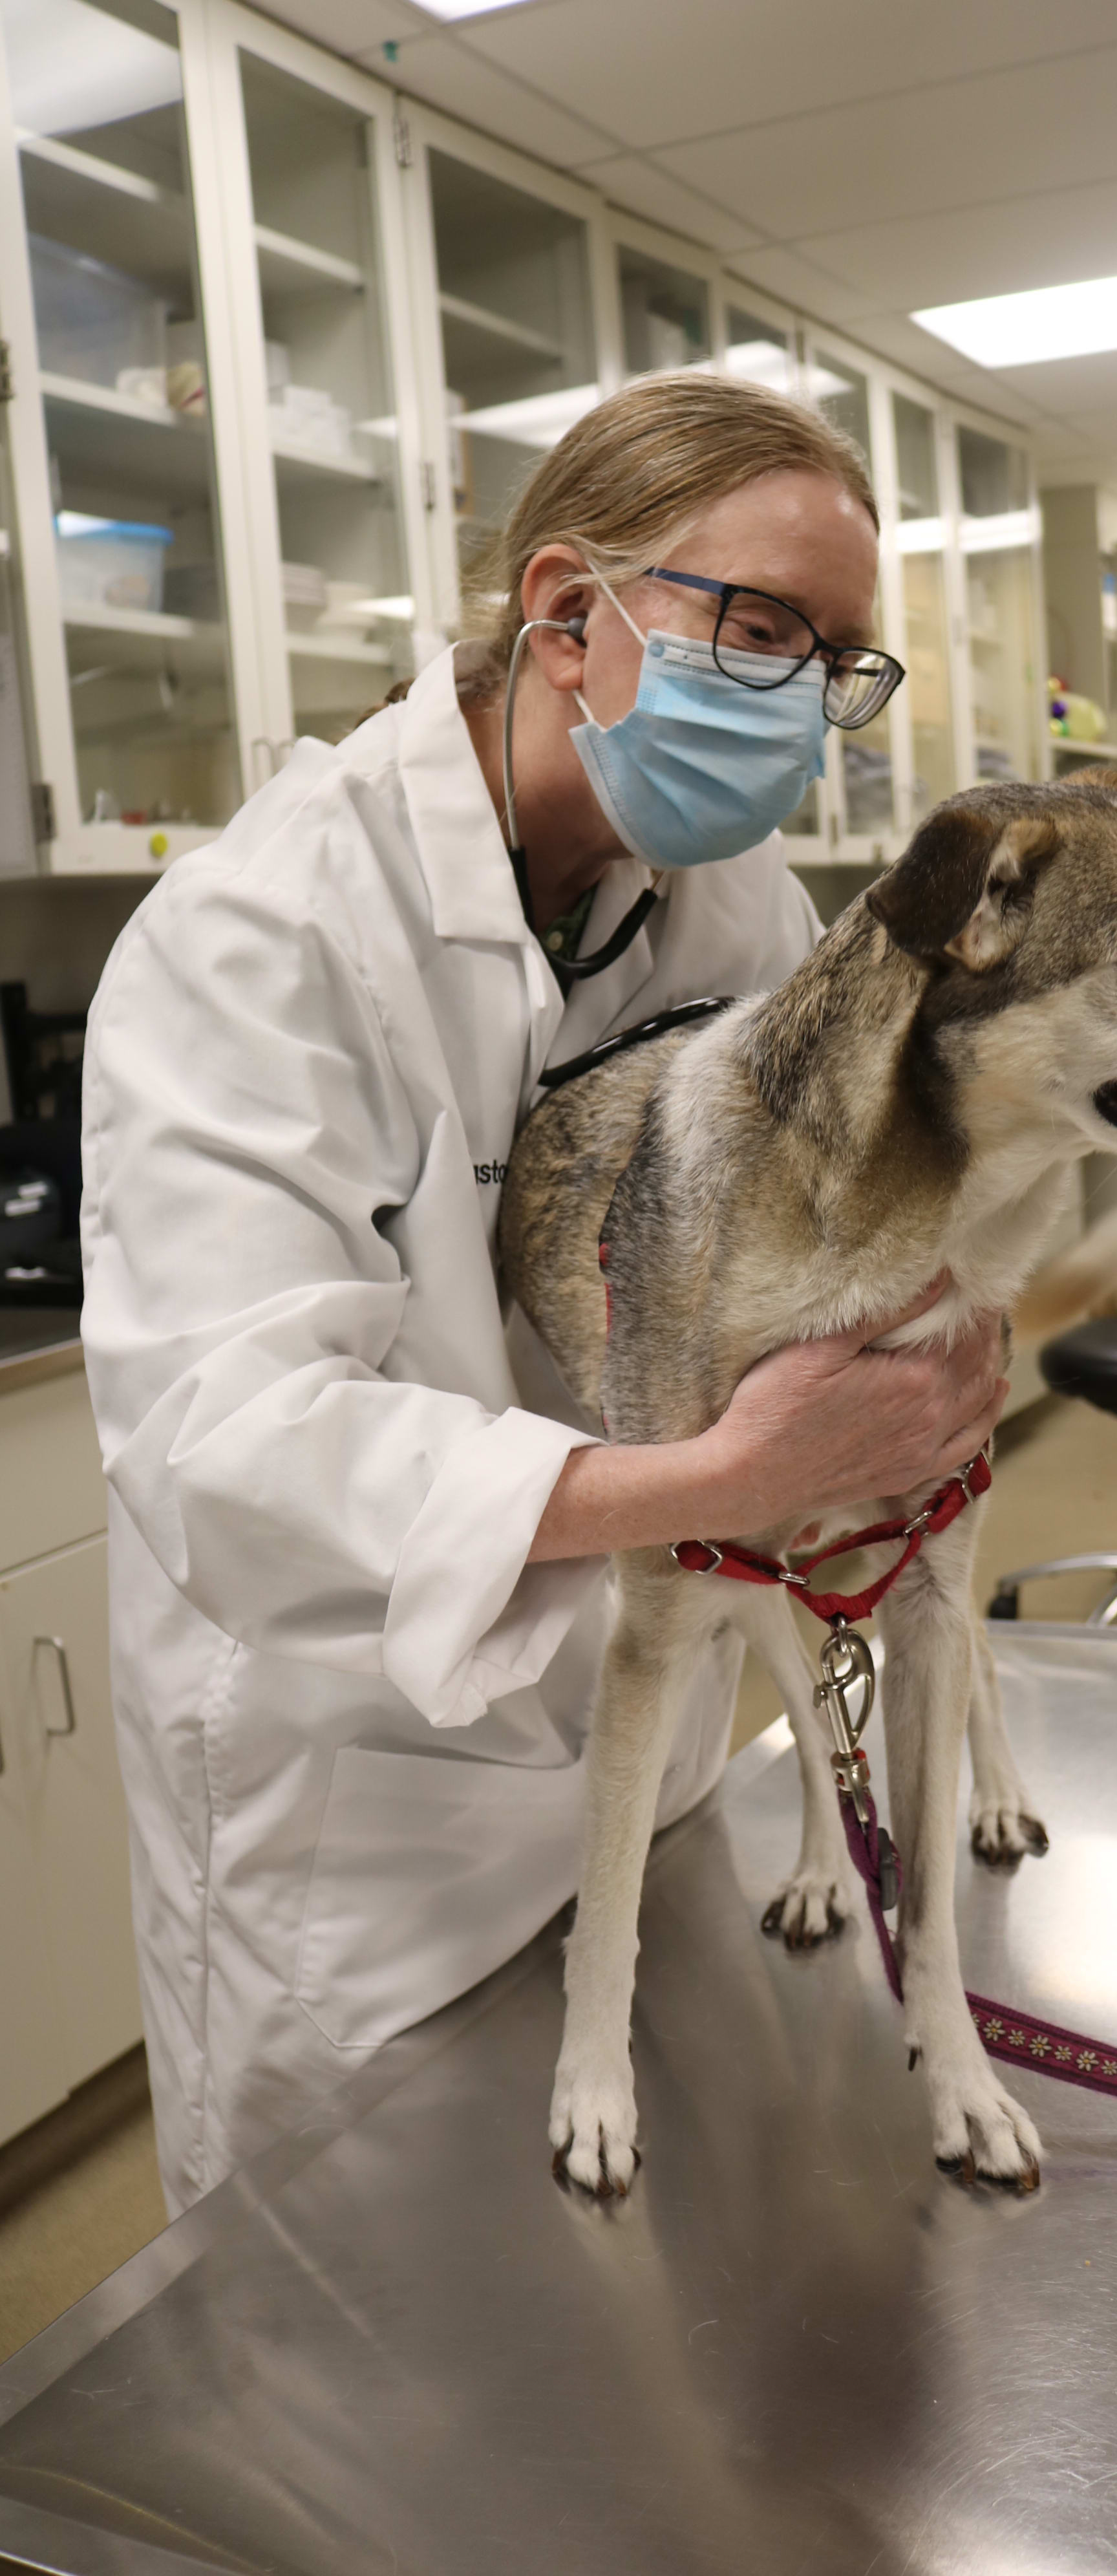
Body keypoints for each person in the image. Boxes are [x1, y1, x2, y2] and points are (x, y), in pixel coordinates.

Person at [80, 374, 1009, 2215]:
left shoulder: (728, 891)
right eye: (759, 627)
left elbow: (796, 1207)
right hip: (355, 1793)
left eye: (838, 662)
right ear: (570, 613)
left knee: (641, 2295)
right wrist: (724, 1486)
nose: (804, 702)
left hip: (628, 1717)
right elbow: (232, 1442)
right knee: (355, 2347)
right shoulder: (261, 930)